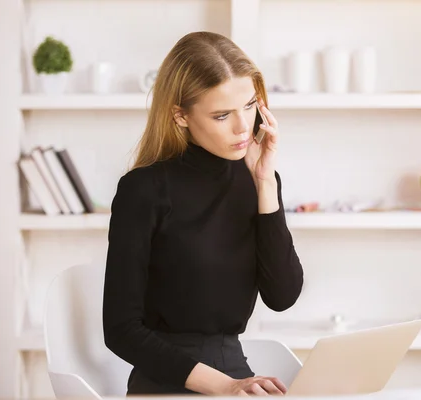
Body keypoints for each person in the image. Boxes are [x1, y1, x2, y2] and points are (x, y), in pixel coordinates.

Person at [102, 31, 305, 396]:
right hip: (167, 380)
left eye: (249, 106)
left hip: (236, 373)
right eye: (222, 114)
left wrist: (265, 184)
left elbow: (283, 296)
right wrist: (224, 385)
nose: (243, 127)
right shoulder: (143, 190)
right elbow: (120, 330)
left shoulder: (258, 180)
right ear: (180, 116)